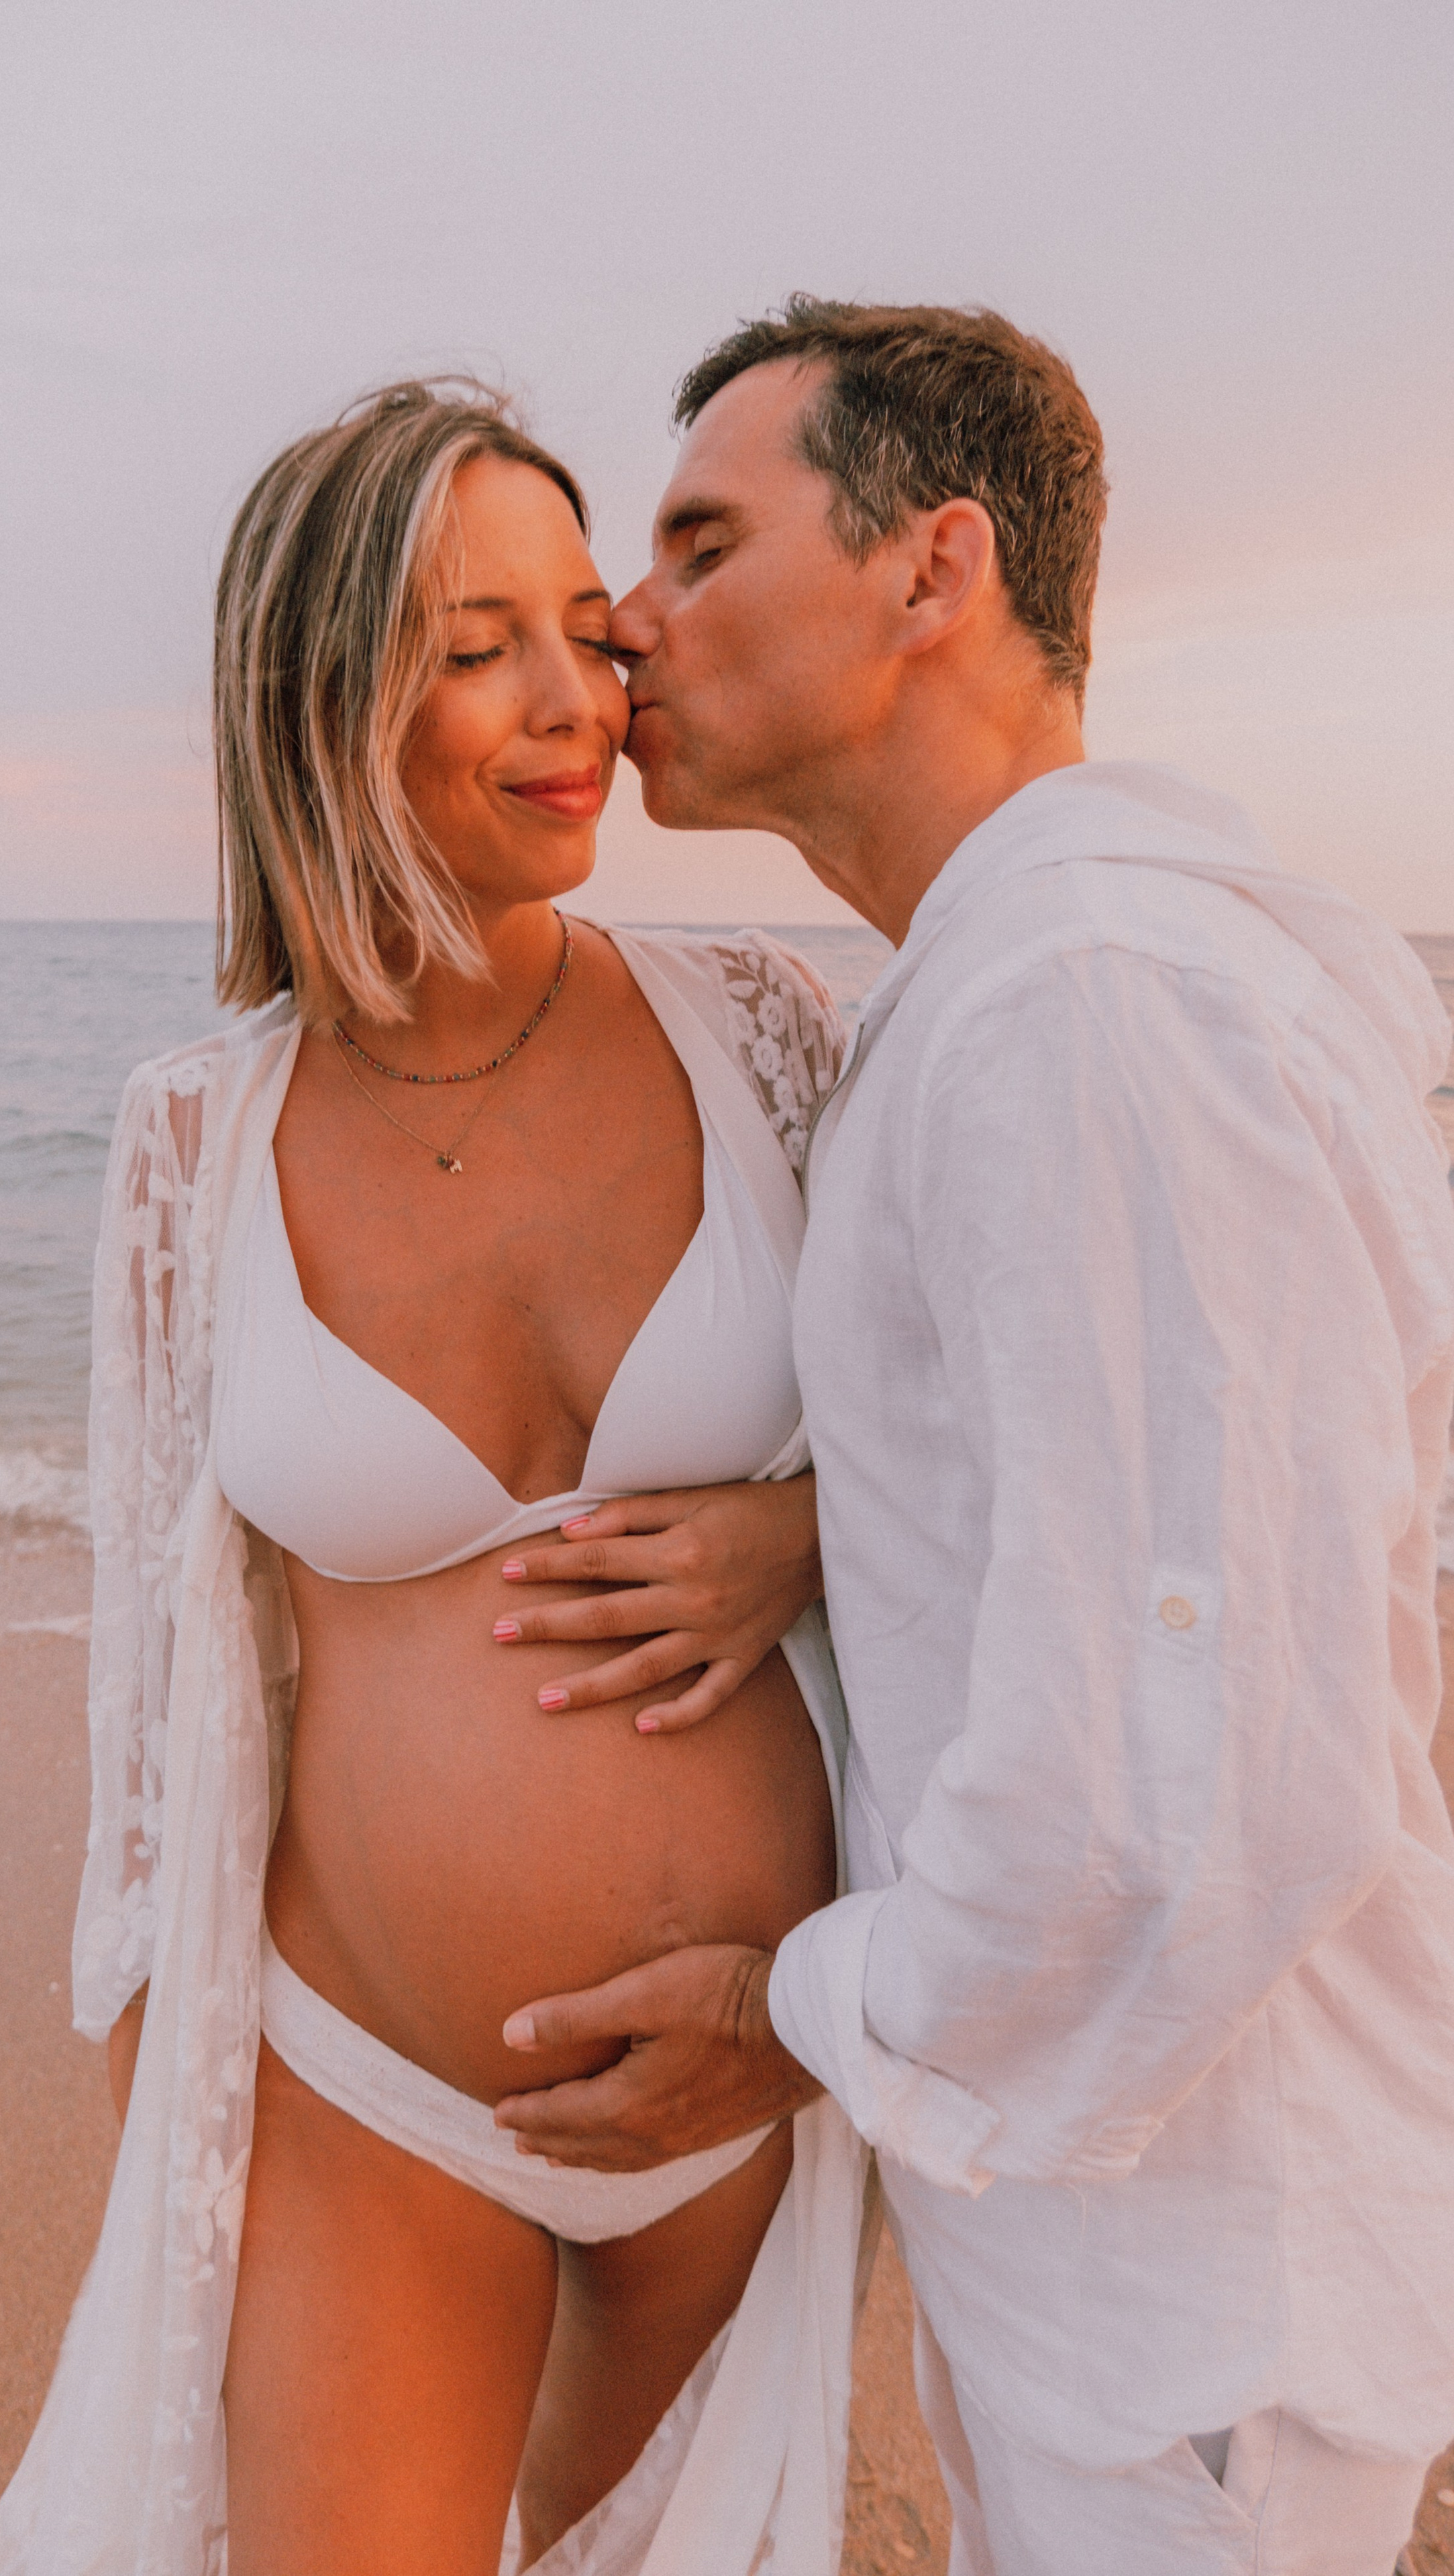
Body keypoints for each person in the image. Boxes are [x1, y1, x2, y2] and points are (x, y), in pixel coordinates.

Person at [493, 301, 1454, 2573]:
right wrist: (823, 1529)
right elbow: (1188, 1511)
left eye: (704, 543)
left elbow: (1182, 1769)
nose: (631, 621)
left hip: (1193, 2300)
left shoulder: (1091, 1005)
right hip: (1139, 2251)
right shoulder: (1046, 983)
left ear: (938, 574)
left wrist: (789, 2009)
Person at [0, 380, 873, 2576]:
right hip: (366, 2091)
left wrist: (808, 1525)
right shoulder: (198, 1135)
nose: (581, 701)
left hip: (753, 2074)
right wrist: (166, 2185)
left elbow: (999, 1456)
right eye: (479, 650)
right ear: (316, 702)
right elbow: (156, 1719)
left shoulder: (770, 1030)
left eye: (585, 624)